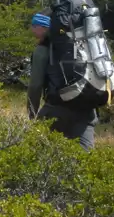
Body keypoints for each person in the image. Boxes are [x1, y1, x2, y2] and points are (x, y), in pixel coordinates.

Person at [27, 9, 97, 150]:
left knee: (38, 150)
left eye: (34, 26)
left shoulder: (43, 49)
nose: (32, 30)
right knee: (86, 157)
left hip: (57, 107)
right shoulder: (83, 44)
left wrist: (32, 113)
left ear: (43, 27)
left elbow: (35, 85)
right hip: (87, 107)